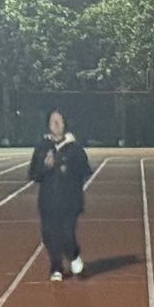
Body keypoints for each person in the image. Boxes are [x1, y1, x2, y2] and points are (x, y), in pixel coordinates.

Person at [28, 110, 92, 283]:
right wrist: (45, 166)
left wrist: (65, 165)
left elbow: (85, 171)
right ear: (48, 125)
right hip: (48, 201)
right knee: (49, 235)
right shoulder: (42, 147)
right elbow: (33, 174)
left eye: (59, 121)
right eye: (53, 121)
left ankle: (73, 255)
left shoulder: (75, 148)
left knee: (66, 234)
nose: (56, 125)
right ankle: (56, 267)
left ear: (65, 124)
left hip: (70, 200)